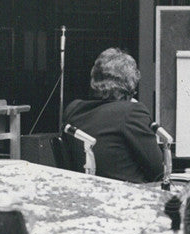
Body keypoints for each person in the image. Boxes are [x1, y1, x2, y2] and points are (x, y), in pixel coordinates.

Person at [63, 48, 164, 183]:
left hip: (86, 192)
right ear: (128, 87)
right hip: (129, 196)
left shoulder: (73, 109)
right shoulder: (131, 112)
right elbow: (158, 171)